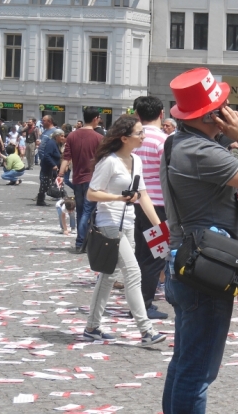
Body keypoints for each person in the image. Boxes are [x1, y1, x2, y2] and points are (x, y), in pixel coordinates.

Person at [160, 69, 238, 414]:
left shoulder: (180, 142)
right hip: (206, 269)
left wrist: (230, 135)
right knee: (198, 372)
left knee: (184, 361)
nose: (231, 111)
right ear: (212, 114)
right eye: (224, 106)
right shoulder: (198, 152)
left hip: (188, 259)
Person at [83, 115, 165, 347]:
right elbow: (92, 193)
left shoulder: (136, 160)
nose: (143, 136)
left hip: (128, 222)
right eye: (139, 133)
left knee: (108, 276)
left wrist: (159, 227)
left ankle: (92, 326)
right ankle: (146, 330)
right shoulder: (109, 162)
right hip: (109, 223)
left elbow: (143, 195)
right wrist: (118, 198)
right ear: (124, 138)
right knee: (133, 272)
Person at [132, 96, 170, 320]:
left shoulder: (134, 139)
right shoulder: (163, 141)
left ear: (138, 115)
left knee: (139, 254)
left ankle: (139, 302)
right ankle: (143, 305)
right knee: (155, 257)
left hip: (135, 204)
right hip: (157, 207)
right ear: (161, 113)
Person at [59, 107, 103, 251]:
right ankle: (82, 242)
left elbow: (66, 158)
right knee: (89, 211)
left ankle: (81, 241)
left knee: (80, 211)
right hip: (93, 179)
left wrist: (60, 175)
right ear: (96, 118)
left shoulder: (72, 136)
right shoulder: (98, 138)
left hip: (77, 179)